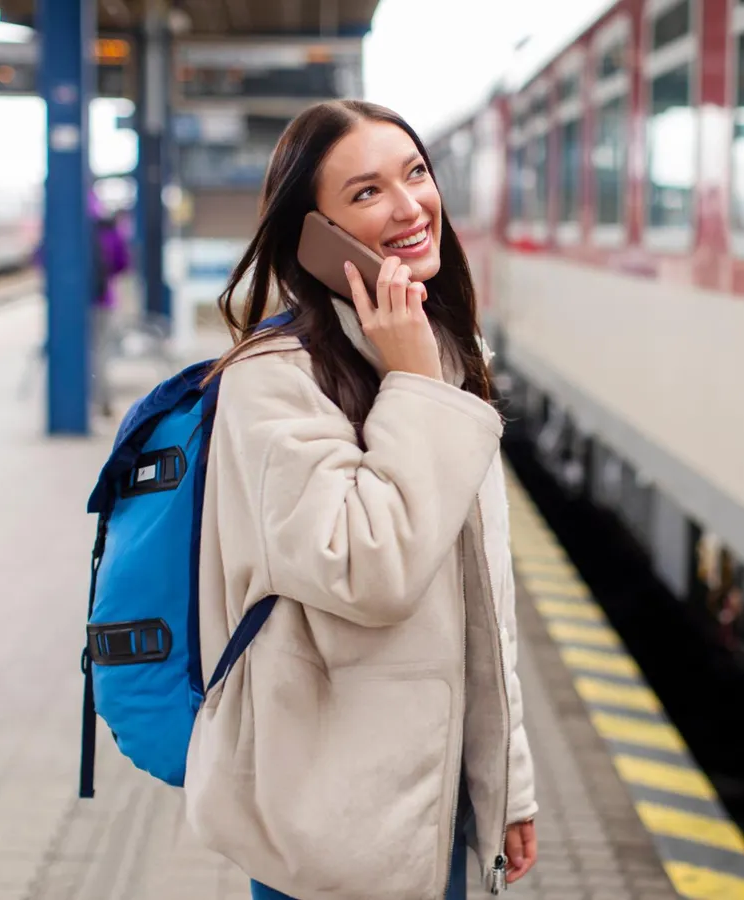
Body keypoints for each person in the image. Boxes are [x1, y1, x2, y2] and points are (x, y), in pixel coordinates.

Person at [182, 100, 539, 900]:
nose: (411, 207)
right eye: (367, 192)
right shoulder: (274, 379)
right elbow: (372, 571)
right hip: (327, 827)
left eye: (416, 174)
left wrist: (507, 783)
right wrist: (412, 382)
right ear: (315, 234)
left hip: (433, 807)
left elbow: (485, 602)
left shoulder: (441, 358)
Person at [88, 192, 129, 417]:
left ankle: (82, 396)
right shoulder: (109, 229)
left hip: (72, 306)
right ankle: (102, 399)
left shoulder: (69, 223)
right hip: (104, 300)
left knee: (78, 350)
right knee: (101, 351)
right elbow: (123, 263)